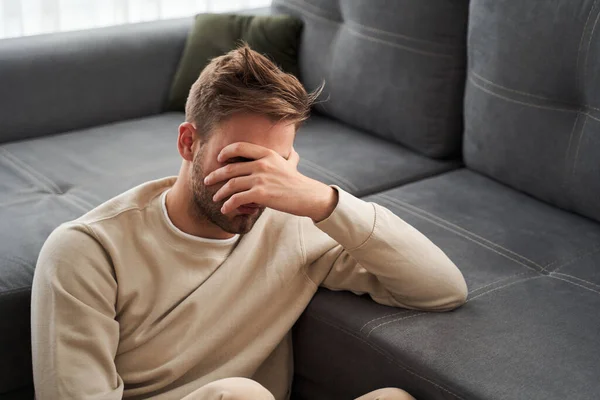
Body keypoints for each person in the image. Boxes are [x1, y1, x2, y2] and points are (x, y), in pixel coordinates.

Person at [31, 44, 467, 400]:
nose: (255, 186)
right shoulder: (86, 251)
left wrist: (322, 199)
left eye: (276, 166)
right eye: (240, 159)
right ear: (189, 143)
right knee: (238, 395)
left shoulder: (295, 227)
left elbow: (441, 289)